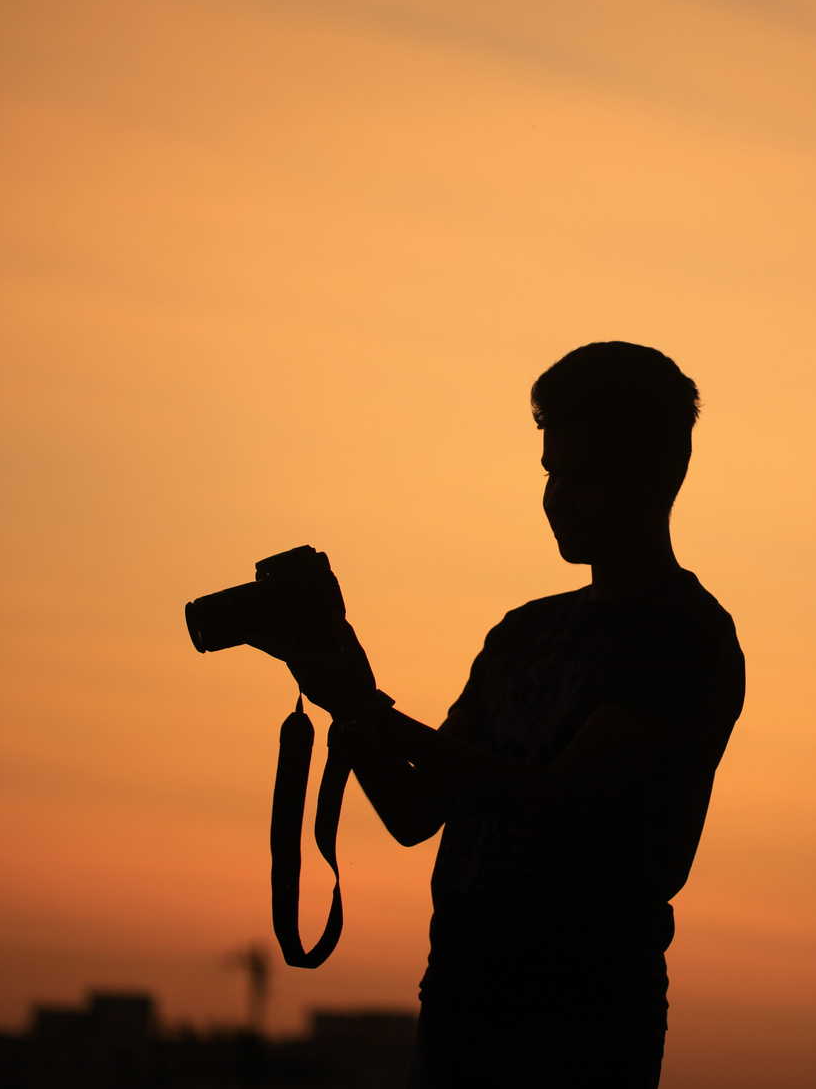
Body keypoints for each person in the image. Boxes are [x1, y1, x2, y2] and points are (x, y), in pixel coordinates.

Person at [280, 343, 745, 1089]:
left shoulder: (684, 634)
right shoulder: (523, 631)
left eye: (583, 477)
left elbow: (556, 804)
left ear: (660, 475)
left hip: (579, 1020)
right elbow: (413, 812)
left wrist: (369, 708)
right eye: (551, 474)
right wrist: (344, 696)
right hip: (458, 1003)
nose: (558, 499)